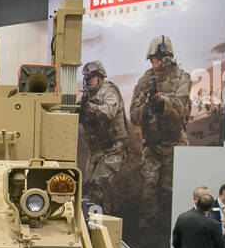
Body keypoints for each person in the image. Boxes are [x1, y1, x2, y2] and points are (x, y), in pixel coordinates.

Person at [132, 35, 192, 217]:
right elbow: (134, 115)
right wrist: (146, 109)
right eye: (153, 59)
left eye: (159, 58)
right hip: (151, 144)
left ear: (169, 57)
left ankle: (168, 229)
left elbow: (181, 106)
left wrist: (160, 102)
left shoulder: (181, 77)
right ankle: (146, 232)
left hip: (174, 143)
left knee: (169, 190)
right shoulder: (145, 80)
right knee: (149, 188)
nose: (156, 63)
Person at [78, 61, 128, 210]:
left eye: (92, 77)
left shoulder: (109, 91)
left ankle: (103, 221)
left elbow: (108, 112)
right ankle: (96, 219)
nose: (89, 81)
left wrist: (89, 107)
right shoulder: (88, 95)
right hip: (95, 150)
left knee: (97, 186)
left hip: (113, 148)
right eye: (87, 78)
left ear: (100, 77)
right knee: (87, 190)